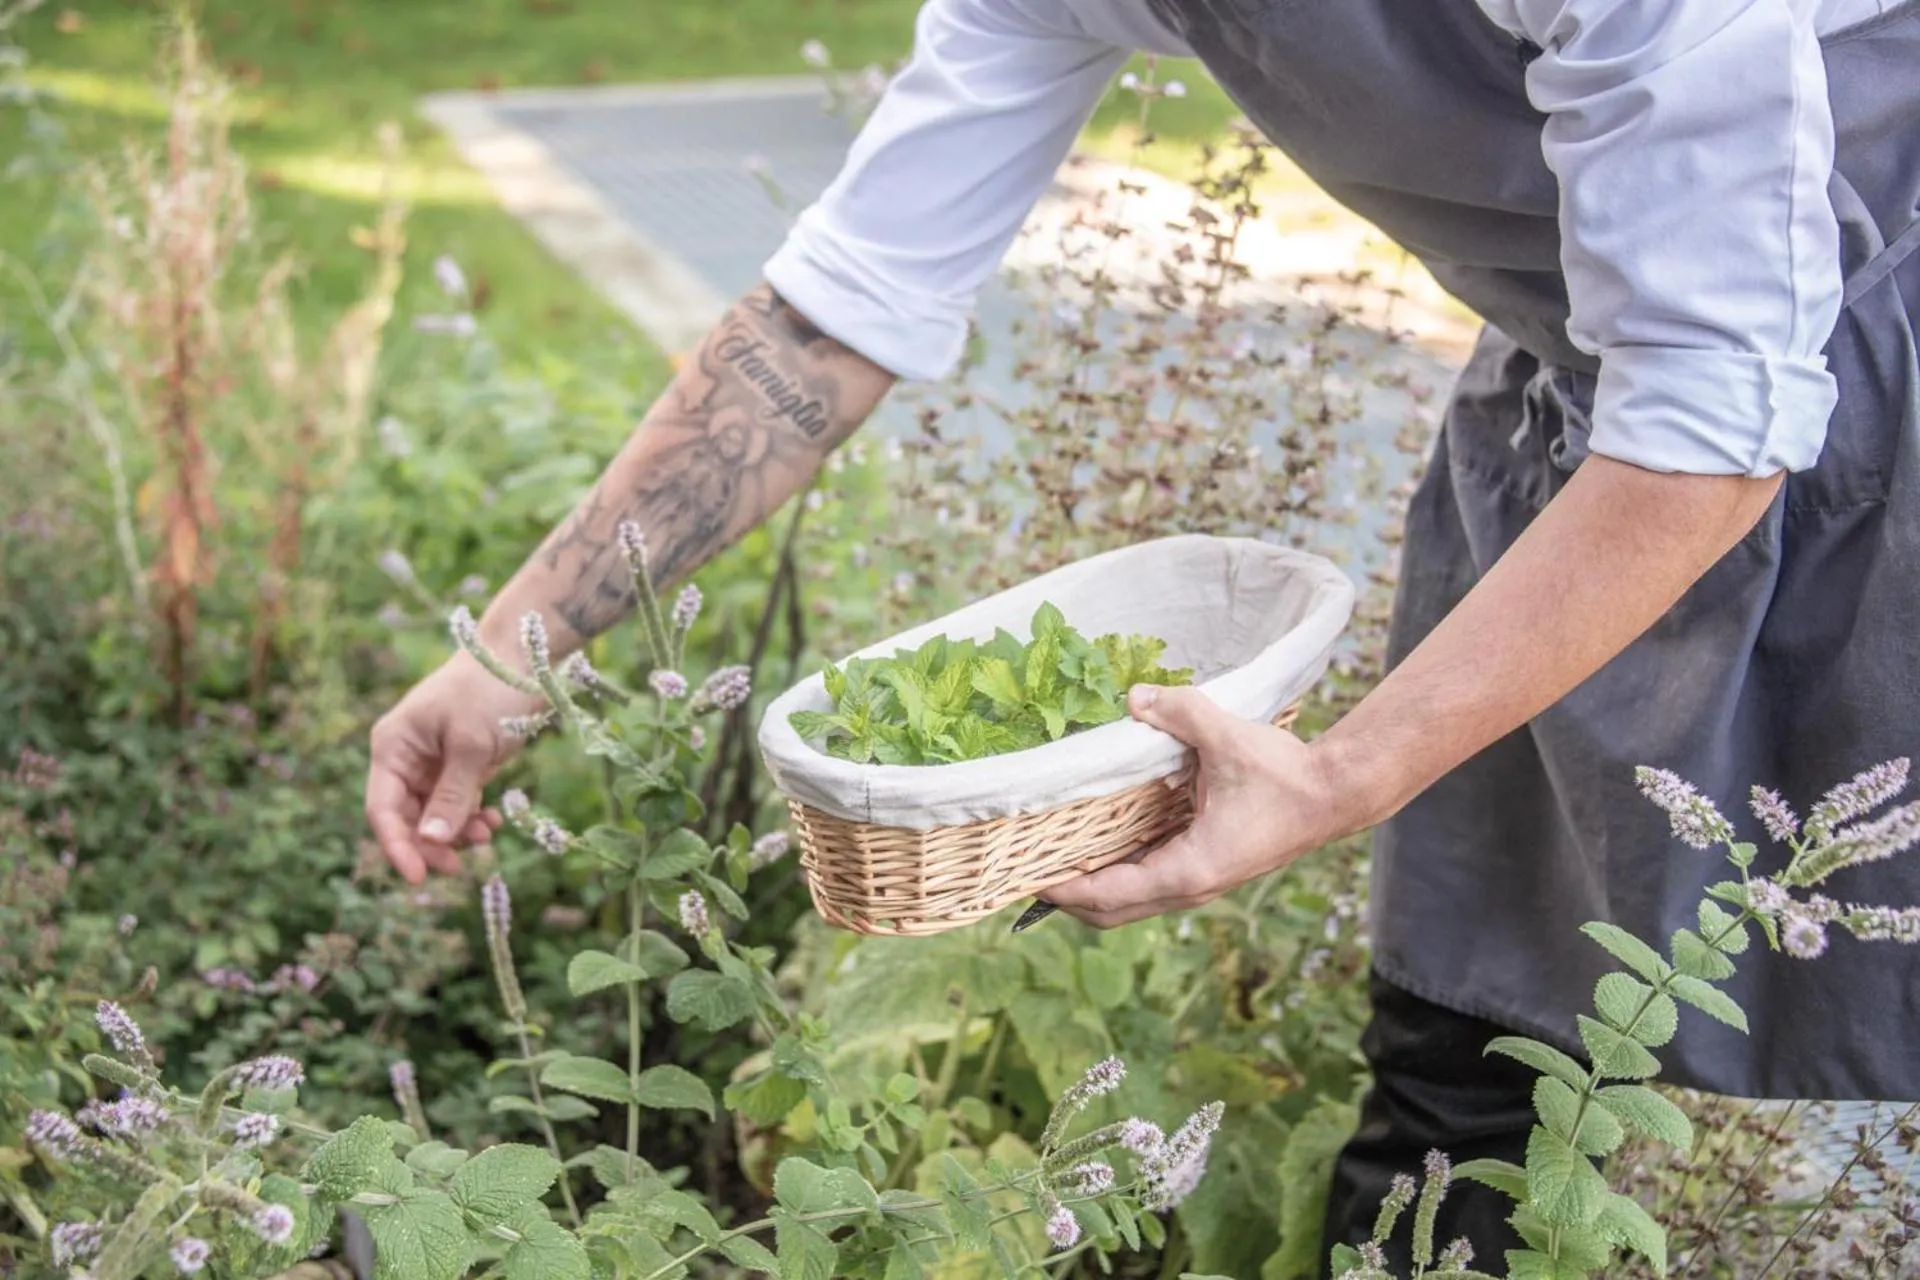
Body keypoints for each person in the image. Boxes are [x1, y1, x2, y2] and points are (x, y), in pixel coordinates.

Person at [366, 0, 1920, 1269]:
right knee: (1460, 1065)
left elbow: (1712, 427)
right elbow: (833, 313)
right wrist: (520, 649)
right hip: (1589, 419)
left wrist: (1345, 771)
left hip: (1838, 418)